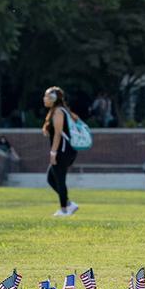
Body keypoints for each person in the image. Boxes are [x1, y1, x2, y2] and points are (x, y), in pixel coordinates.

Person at [42, 86, 80, 216]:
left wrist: (53, 153)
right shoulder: (58, 111)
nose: (44, 99)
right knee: (51, 178)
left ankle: (64, 210)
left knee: (59, 179)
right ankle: (69, 204)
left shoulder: (58, 111)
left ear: (53, 98)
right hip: (65, 151)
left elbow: (58, 134)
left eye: (47, 96)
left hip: (62, 151)